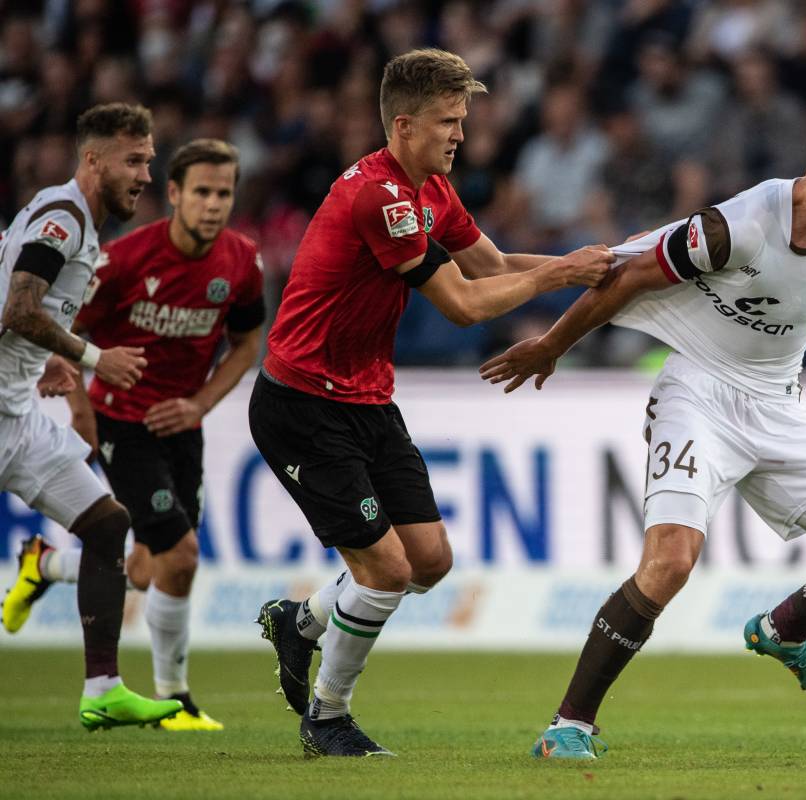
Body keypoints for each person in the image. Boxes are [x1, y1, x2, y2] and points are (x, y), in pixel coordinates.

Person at [480, 95, 806, 760]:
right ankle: (569, 725)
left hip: (776, 405)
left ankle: (784, 629)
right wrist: (552, 345)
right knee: (669, 564)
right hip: (699, 394)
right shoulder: (736, 227)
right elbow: (628, 275)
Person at [249, 48, 613, 758]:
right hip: (302, 405)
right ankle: (328, 718)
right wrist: (567, 272)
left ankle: (305, 621)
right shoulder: (379, 197)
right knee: (386, 570)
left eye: (464, 121)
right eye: (448, 121)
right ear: (404, 123)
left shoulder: (431, 191)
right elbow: (466, 306)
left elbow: (496, 265)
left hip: (367, 399)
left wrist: (601, 271)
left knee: (430, 560)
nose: (461, 136)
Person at [7, 139, 265, 731]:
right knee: (182, 556)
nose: (213, 205)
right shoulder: (123, 260)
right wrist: (80, 407)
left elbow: (248, 343)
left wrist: (199, 403)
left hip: (181, 426)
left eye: (223, 194)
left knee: (151, 569)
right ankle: (175, 703)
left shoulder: (240, 263)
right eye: (201, 192)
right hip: (124, 421)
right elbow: (64, 325)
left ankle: (44, 566)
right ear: (173, 194)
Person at [0, 103, 184, 731]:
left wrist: (55, 363)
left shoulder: (74, 221)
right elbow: (18, 310)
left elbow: (30, 308)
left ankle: (103, 689)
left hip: (17, 415)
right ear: (93, 159)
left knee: (108, 525)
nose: (144, 175)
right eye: (133, 161)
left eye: (149, 161)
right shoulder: (63, 218)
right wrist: (93, 358)